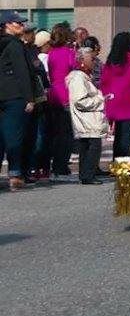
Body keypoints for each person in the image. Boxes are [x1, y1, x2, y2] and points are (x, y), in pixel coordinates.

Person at [0, 11, 36, 190]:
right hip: (14, 95)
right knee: (14, 136)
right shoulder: (15, 45)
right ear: (7, 25)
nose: (22, 26)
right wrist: (29, 98)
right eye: (18, 23)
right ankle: (15, 175)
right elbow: (22, 72)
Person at [100, 32, 130, 159]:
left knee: (119, 136)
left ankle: (116, 160)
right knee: (126, 137)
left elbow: (104, 81)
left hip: (115, 101)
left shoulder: (111, 60)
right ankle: (122, 162)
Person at [66, 47, 107, 185]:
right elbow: (80, 101)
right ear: (82, 60)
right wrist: (100, 100)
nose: (94, 62)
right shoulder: (78, 78)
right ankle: (88, 175)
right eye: (91, 59)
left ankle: (86, 174)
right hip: (87, 119)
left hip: (89, 118)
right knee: (92, 147)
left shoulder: (85, 77)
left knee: (88, 146)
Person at [44, 24, 78, 182]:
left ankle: (56, 164)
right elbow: (75, 69)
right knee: (66, 133)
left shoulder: (51, 53)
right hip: (66, 92)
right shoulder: (69, 53)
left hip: (53, 92)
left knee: (56, 132)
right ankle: (61, 165)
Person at [30, 29, 52, 180]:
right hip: (38, 100)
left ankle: (36, 167)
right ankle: (38, 166)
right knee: (40, 135)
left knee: (38, 135)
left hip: (36, 100)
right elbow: (44, 80)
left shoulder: (35, 57)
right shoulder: (39, 59)